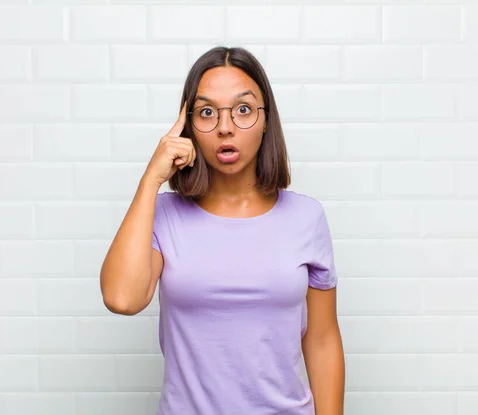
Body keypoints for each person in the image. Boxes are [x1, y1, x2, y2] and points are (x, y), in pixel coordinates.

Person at [100, 46, 345, 415]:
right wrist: (151, 178)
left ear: (266, 121)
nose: (225, 127)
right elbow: (122, 298)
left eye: (243, 109)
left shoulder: (306, 217)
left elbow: (322, 339)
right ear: (188, 126)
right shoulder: (164, 214)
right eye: (207, 112)